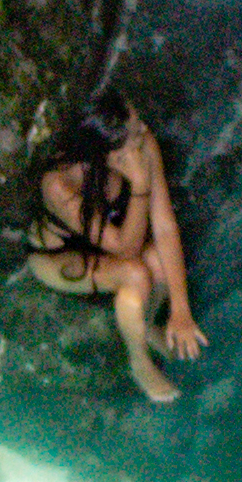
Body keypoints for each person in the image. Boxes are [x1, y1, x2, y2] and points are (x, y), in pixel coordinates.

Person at [27, 96, 203, 402]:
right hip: (60, 255)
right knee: (135, 274)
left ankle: (147, 326)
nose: (144, 130)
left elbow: (164, 226)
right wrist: (139, 184)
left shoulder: (141, 144)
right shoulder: (59, 184)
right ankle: (139, 361)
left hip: (117, 238)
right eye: (135, 130)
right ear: (109, 154)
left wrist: (181, 310)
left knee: (159, 263)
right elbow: (126, 250)